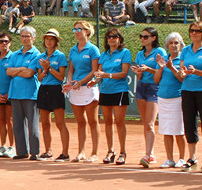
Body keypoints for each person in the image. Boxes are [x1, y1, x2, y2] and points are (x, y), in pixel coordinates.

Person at [178, 21, 202, 172]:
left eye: (198, 31)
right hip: (187, 91)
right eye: (192, 30)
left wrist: (195, 72)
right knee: (189, 123)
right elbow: (182, 71)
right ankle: (192, 158)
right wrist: (183, 73)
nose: (194, 33)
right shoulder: (186, 50)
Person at [63, 20, 101, 163]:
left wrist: (81, 82)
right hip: (76, 89)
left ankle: (94, 153)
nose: (77, 32)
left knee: (93, 121)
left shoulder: (93, 49)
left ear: (87, 31)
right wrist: (70, 82)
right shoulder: (73, 50)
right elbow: (71, 70)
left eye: (80, 29)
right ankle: (81, 152)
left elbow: (94, 71)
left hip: (89, 88)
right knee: (80, 122)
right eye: (75, 29)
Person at [94, 27, 131, 165]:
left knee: (119, 121)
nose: (111, 39)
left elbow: (124, 73)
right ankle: (110, 151)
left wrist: (107, 75)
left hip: (119, 90)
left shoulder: (125, 53)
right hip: (105, 91)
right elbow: (99, 74)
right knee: (108, 121)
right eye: (109, 37)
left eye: (114, 36)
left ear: (119, 39)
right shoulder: (104, 55)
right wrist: (92, 82)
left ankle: (123, 152)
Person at [6, 26, 43, 160]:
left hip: (30, 93)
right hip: (15, 93)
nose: (25, 39)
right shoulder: (15, 54)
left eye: (28, 36)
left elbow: (29, 73)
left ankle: (34, 152)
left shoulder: (37, 54)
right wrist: (21, 69)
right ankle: (21, 151)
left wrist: (16, 70)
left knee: (32, 124)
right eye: (22, 36)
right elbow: (8, 71)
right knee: (17, 124)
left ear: (34, 38)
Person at [133, 27, 166, 168]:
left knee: (149, 123)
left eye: (146, 36)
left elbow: (162, 72)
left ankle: (148, 155)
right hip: (141, 87)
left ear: (153, 38)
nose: (143, 39)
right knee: (145, 122)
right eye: (141, 36)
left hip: (154, 87)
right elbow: (140, 75)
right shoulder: (139, 54)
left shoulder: (160, 52)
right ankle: (150, 153)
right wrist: (138, 72)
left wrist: (148, 69)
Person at [35, 28, 70, 161]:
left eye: (51, 39)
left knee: (60, 123)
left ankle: (65, 153)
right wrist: (44, 70)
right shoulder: (40, 57)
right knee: (45, 123)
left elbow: (61, 77)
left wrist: (49, 68)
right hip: (43, 89)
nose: (49, 41)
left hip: (55, 90)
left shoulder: (60, 56)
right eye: (47, 39)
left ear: (56, 42)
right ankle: (48, 151)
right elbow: (39, 78)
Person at [154, 32, 187, 168]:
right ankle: (170, 159)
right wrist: (162, 67)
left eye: (176, 43)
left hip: (177, 98)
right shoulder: (163, 60)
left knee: (179, 131)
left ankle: (182, 159)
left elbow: (182, 79)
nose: (173, 45)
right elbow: (156, 80)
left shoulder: (182, 60)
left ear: (181, 45)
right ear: (167, 45)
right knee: (166, 130)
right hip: (163, 98)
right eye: (171, 43)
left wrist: (171, 67)